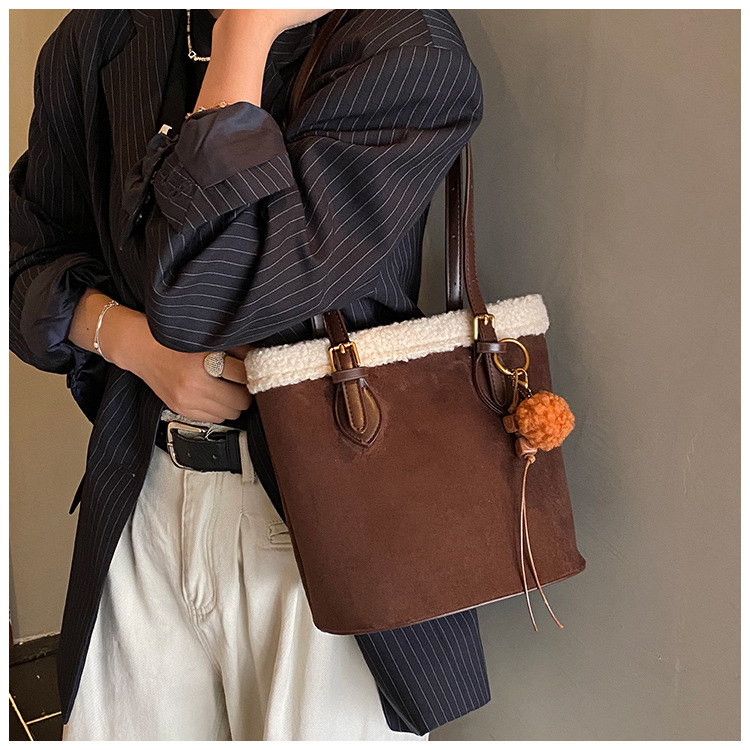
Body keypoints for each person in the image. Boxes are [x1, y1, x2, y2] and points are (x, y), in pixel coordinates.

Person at [10, 8, 489, 741]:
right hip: (144, 491)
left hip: (326, 517)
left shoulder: (404, 48)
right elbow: (22, 263)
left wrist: (245, 32)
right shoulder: (104, 33)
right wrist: (130, 342)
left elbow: (204, 296)